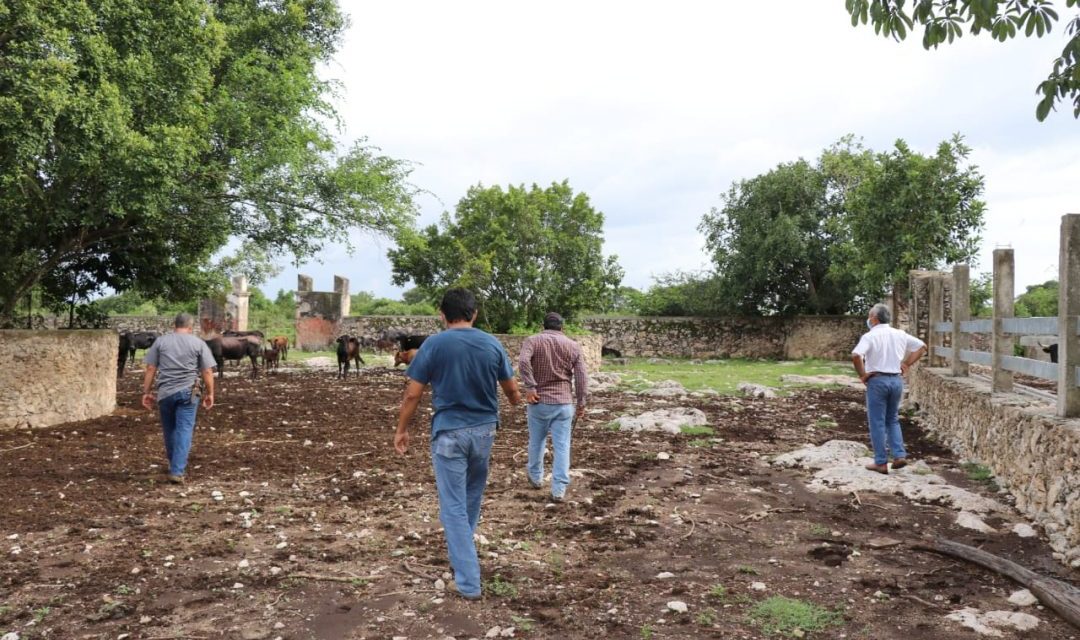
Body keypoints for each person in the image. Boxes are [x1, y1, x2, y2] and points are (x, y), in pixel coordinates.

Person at [393, 288, 521, 600]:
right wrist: (520, 400)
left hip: (449, 432)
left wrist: (401, 429)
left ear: (442, 314)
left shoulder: (434, 344)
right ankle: (462, 552)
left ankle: (468, 581)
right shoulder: (491, 343)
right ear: (474, 313)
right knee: (471, 497)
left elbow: (413, 393)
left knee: (452, 506)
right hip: (485, 432)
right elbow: (511, 391)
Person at [518, 311, 588, 501]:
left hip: (538, 401)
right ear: (562, 327)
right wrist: (581, 401)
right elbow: (581, 376)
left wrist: (530, 386)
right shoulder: (572, 345)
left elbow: (523, 361)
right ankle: (558, 489)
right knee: (562, 446)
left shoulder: (532, 341)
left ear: (543, 326)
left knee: (536, 441)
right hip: (564, 403)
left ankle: (535, 477)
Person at [851, 303, 928, 474]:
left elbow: (856, 355)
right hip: (896, 380)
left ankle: (880, 462)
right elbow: (922, 347)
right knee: (892, 419)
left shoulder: (870, 336)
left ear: (874, 319)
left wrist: (862, 375)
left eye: (870, 316)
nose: (868, 319)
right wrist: (906, 363)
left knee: (877, 421)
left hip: (877, 380)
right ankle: (899, 455)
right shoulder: (899, 334)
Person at [140, 312, 217, 484]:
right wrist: (210, 393)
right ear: (190, 327)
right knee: (184, 429)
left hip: (165, 392)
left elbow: (151, 368)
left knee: (170, 429)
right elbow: (207, 371)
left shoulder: (161, 341)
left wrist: (146, 392)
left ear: (174, 326)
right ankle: (177, 470)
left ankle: (174, 463)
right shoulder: (198, 343)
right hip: (189, 392)